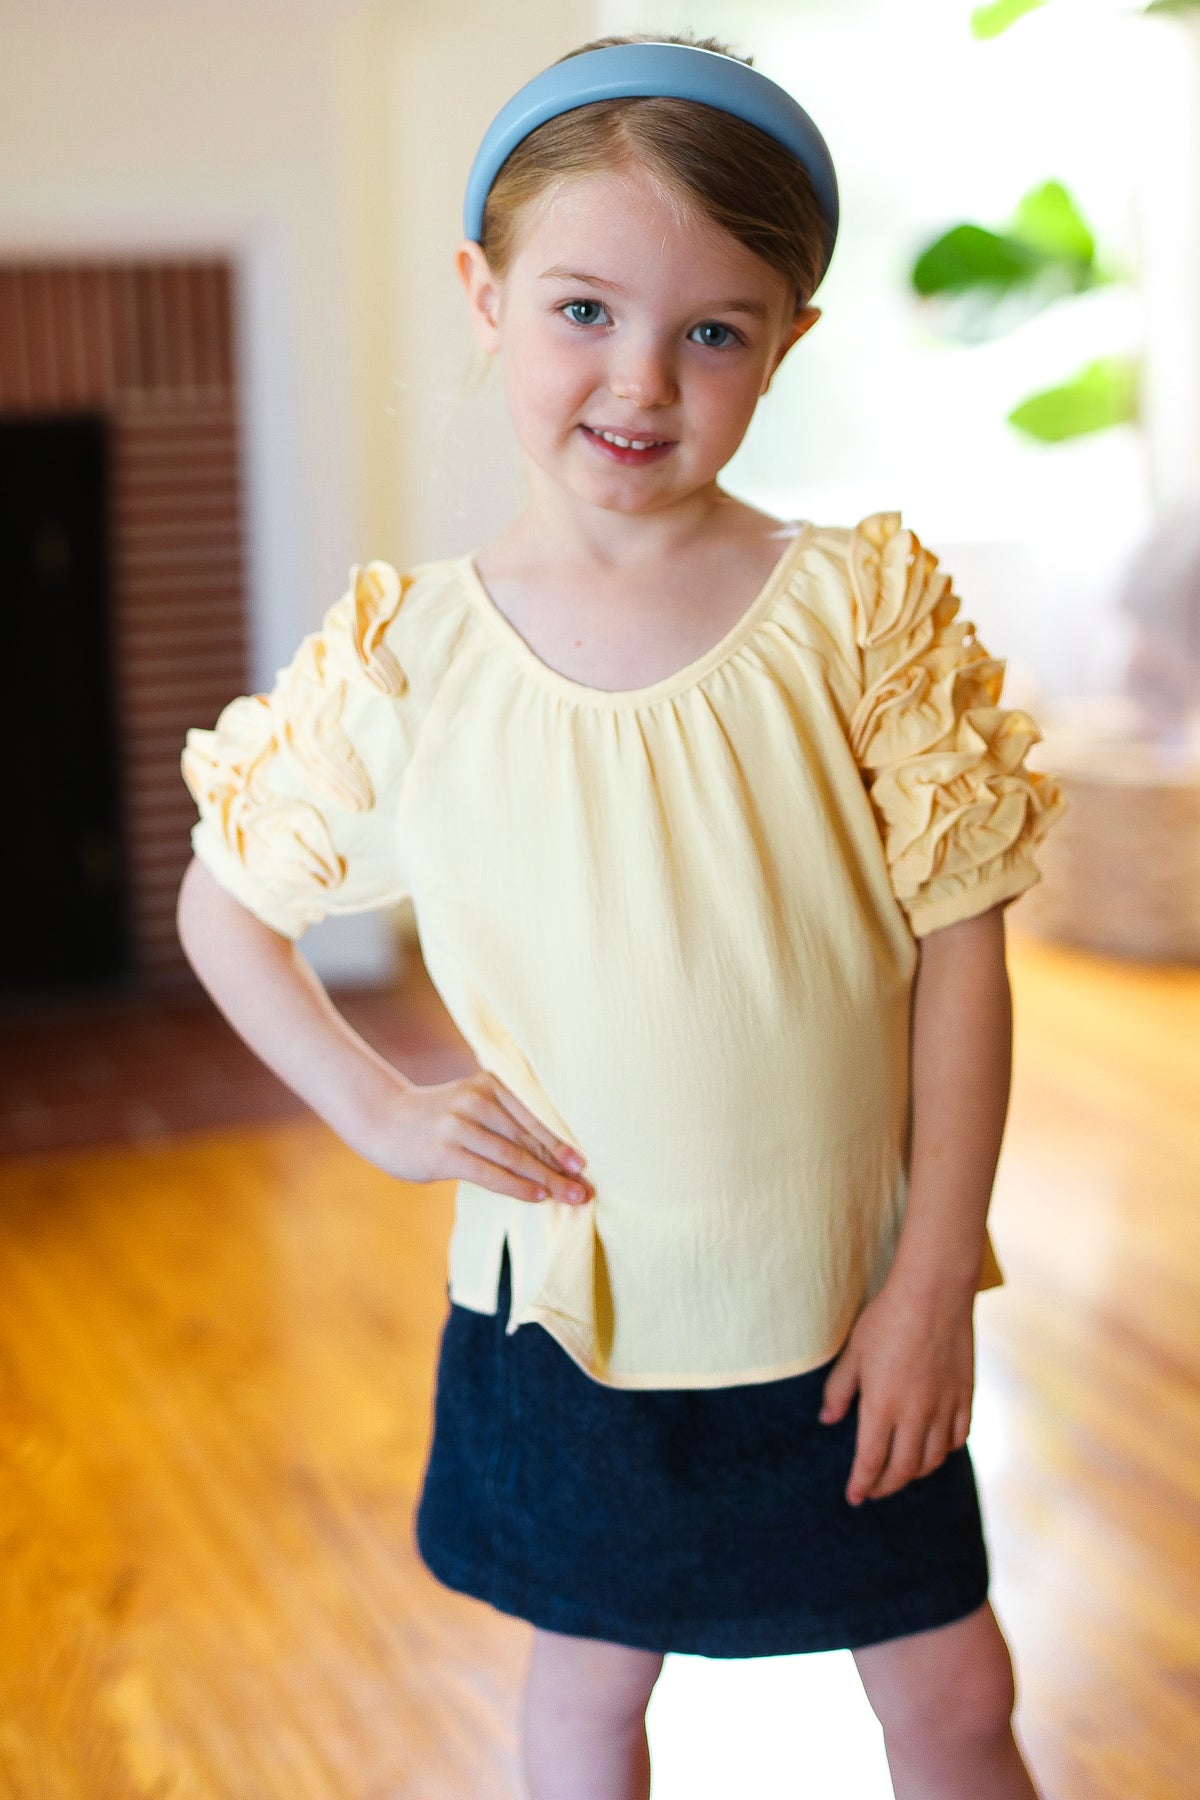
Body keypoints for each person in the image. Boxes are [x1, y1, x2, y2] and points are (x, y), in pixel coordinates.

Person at [177, 30, 1065, 1800]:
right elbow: (227, 908)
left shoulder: (856, 615)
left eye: (713, 333)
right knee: (587, 1703)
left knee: (957, 1699)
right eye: (582, 310)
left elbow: (963, 949)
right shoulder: (410, 659)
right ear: (484, 297)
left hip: (848, 1306)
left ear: (787, 342)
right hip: (576, 1310)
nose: (640, 380)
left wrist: (932, 1285)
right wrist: (379, 1110)